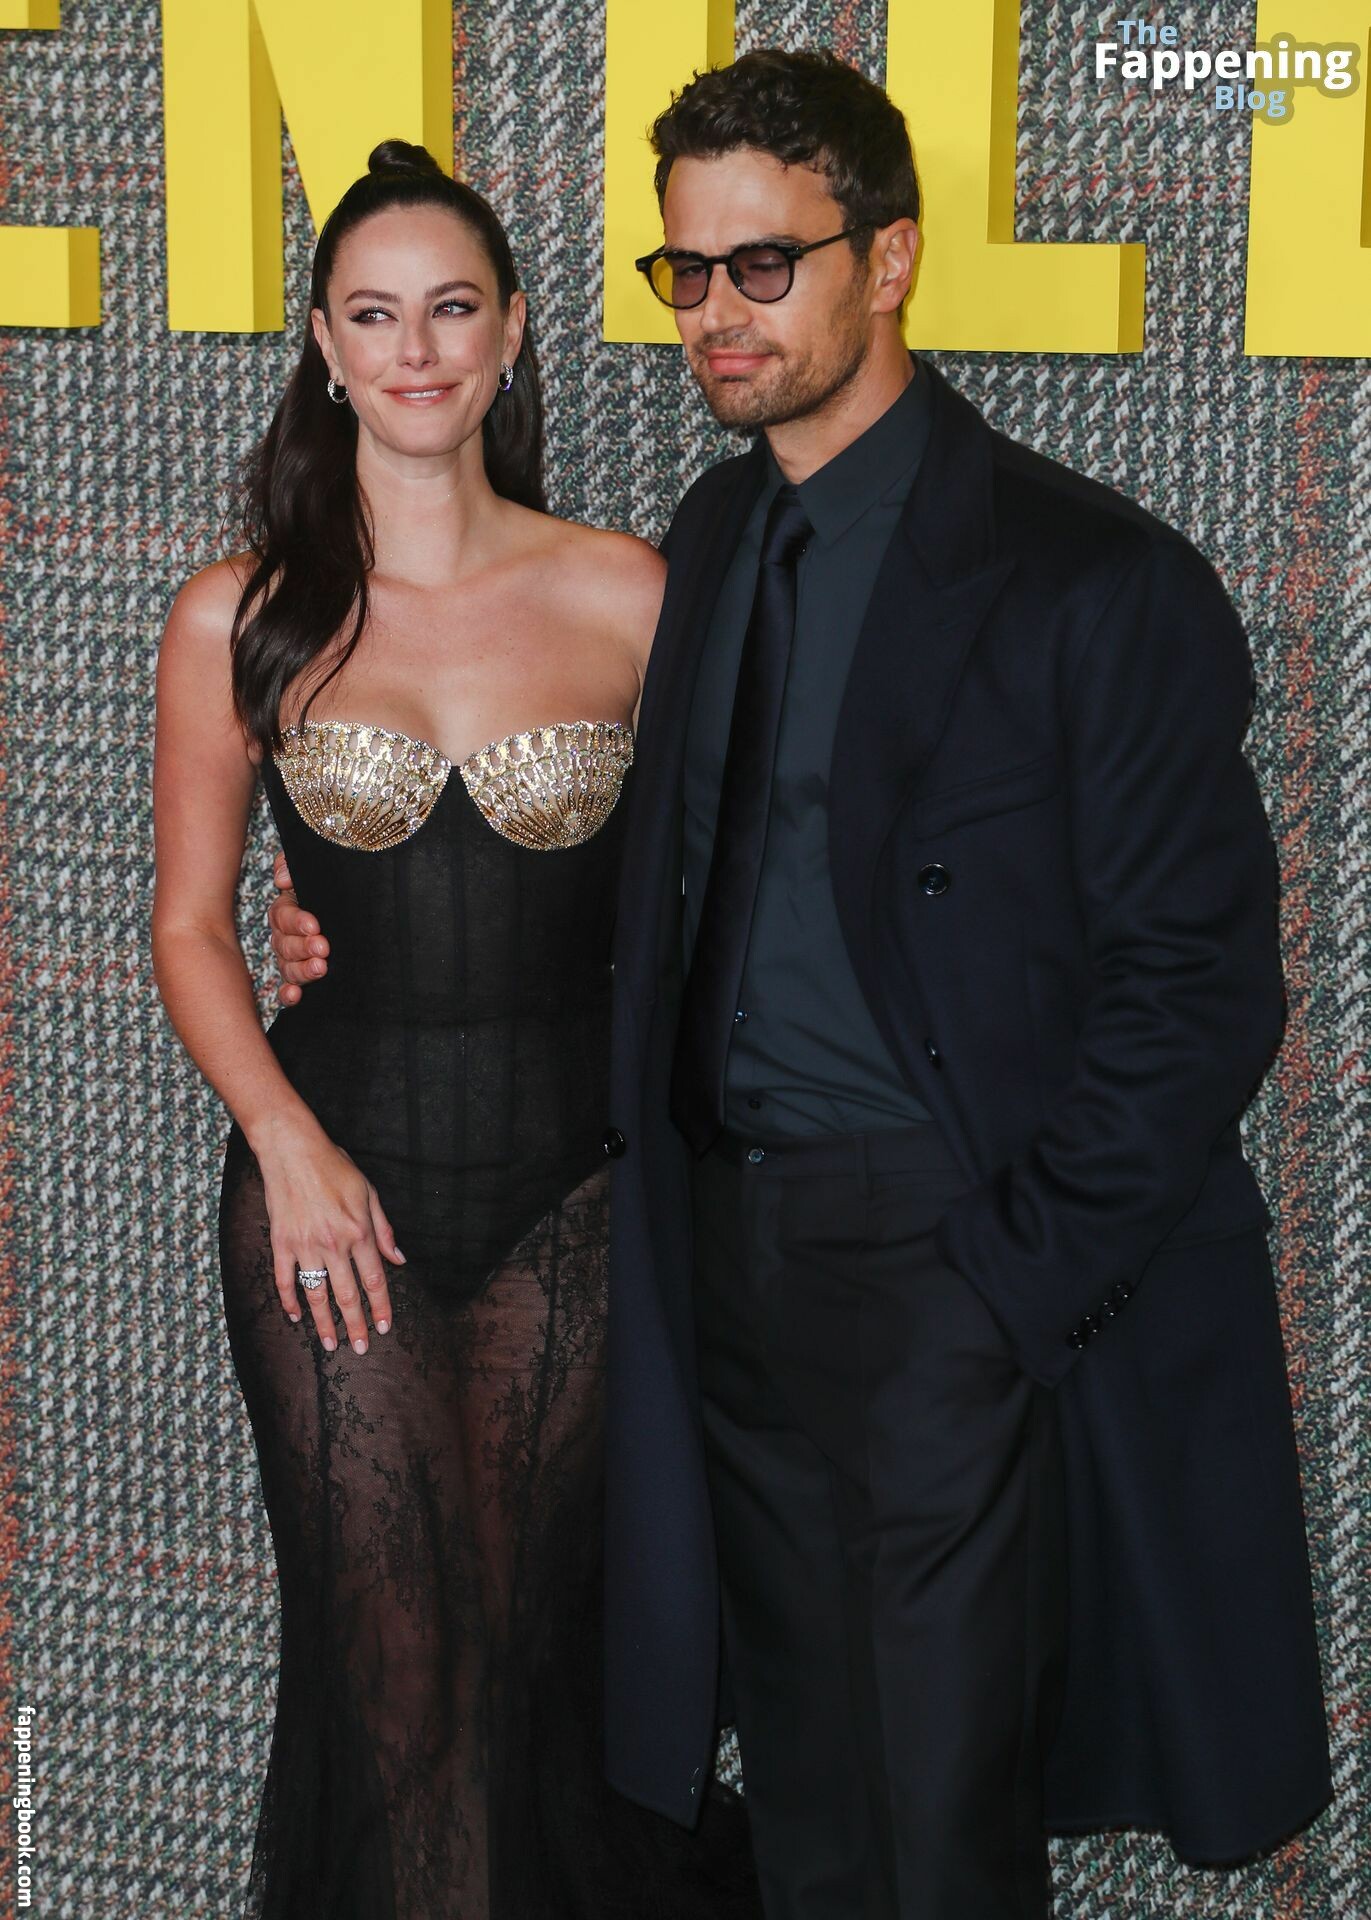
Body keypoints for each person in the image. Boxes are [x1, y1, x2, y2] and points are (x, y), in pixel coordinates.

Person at [269, 52, 1333, 1920]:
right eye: (688, 272)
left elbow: (1203, 985)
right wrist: (371, 914)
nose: (719, 313)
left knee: (937, 1809)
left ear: (889, 259)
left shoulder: (1090, 579)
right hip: (713, 1257)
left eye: (766, 265)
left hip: (946, 1258)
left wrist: (1009, 1277)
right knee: (811, 1802)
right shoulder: (709, 543)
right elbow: (629, 873)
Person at [152, 140, 760, 1920]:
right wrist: (287, 1145)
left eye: (449, 310)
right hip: (332, 1204)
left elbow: (703, 912)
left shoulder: (630, 592)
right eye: (373, 315)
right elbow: (188, 928)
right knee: (392, 1679)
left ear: (508, 336)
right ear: (325, 347)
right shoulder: (239, 612)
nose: (413, 351)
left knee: (535, 1673)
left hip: (579, 1208)